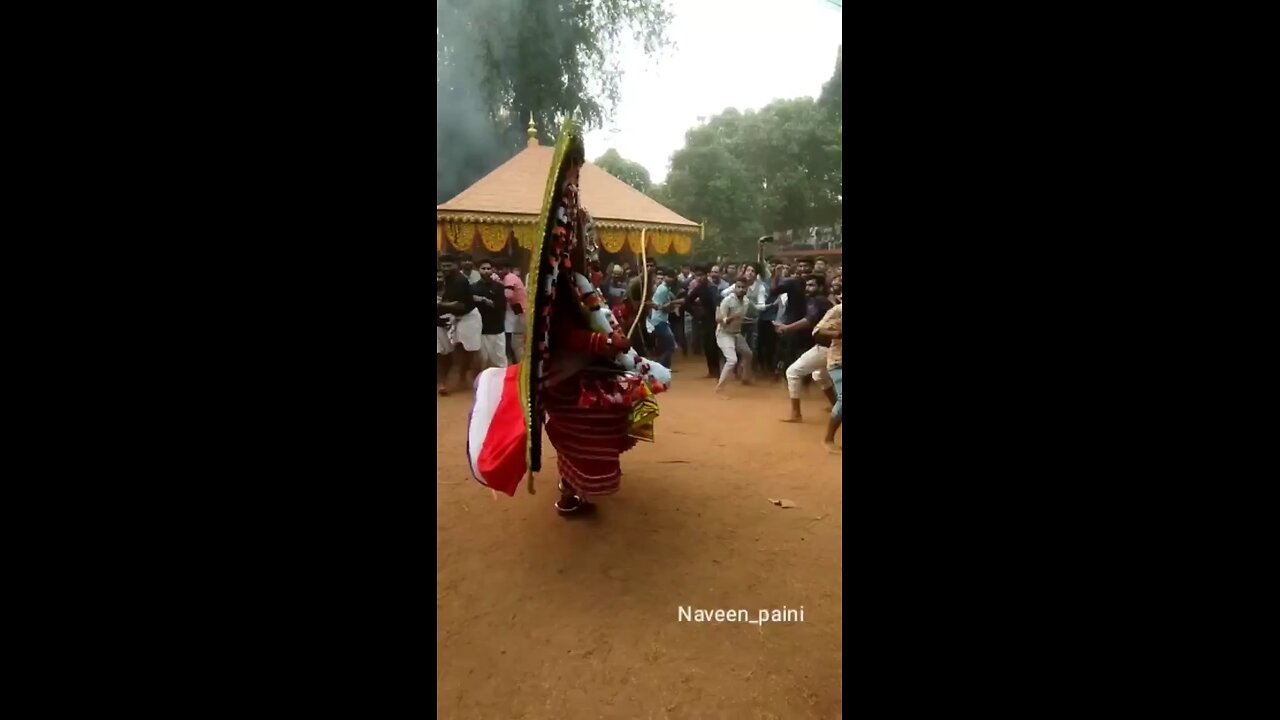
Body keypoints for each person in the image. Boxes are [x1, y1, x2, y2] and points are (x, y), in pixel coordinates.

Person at [466, 120, 672, 515]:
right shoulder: (558, 281)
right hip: (567, 374)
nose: (584, 241)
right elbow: (561, 331)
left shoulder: (579, 279)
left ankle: (572, 487)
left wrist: (620, 321)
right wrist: (603, 342)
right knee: (584, 429)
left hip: (593, 368)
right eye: (578, 230)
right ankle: (570, 491)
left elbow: (596, 317)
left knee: (628, 406)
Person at [778, 275, 835, 423]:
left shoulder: (819, 301)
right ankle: (836, 406)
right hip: (828, 346)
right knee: (819, 375)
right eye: (807, 285)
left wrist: (787, 328)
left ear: (821, 287)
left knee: (792, 372)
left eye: (812, 285)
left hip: (826, 347)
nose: (808, 288)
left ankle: (796, 414)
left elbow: (809, 321)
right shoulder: (819, 301)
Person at [437, 253, 481, 394]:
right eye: (443, 266)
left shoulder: (459, 281)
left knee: (472, 350)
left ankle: (476, 381)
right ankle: (451, 381)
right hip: (454, 318)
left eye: (449, 265)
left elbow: (460, 306)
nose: (445, 268)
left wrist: (440, 304)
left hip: (468, 318)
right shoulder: (447, 279)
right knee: (451, 350)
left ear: (456, 265)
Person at [812, 290, 842, 453]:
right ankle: (828, 439)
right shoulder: (838, 311)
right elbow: (817, 331)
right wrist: (837, 333)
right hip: (838, 362)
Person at [715, 276, 754, 396]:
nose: (741, 289)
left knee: (748, 354)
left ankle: (745, 378)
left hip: (736, 333)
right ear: (734, 288)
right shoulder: (727, 301)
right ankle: (720, 388)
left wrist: (749, 320)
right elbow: (718, 319)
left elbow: (741, 317)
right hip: (724, 333)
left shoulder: (746, 301)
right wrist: (732, 318)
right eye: (739, 287)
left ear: (747, 289)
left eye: (743, 287)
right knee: (732, 360)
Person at [471, 259, 509, 370]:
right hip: (481, 329)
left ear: (492, 270)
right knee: (483, 359)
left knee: (500, 358)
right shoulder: (473, 288)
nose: (486, 271)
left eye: (488, 268)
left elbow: (501, 306)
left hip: (497, 328)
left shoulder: (499, 287)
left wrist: (484, 300)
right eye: (483, 269)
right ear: (478, 270)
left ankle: (502, 382)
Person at [687, 264, 722, 378]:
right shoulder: (698, 288)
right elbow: (687, 302)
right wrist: (696, 313)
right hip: (704, 320)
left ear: (707, 275)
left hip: (715, 320)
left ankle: (716, 370)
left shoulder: (712, 288)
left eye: (701, 275)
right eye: (697, 276)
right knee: (706, 346)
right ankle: (711, 370)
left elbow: (717, 304)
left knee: (713, 345)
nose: (699, 278)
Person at [648, 268, 680, 368]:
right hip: (660, 320)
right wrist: (672, 305)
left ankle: (664, 366)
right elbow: (662, 307)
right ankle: (662, 366)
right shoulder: (663, 289)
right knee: (671, 346)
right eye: (669, 277)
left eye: (672, 277)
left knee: (664, 346)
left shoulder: (664, 288)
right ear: (665, 277)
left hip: (659, 320)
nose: (671, 279)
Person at [498, 260, 528, 364]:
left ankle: (520, 367)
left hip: (520, 311)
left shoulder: (509, 277)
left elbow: (508, 295)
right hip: (519, 311)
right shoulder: (510, 278)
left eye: (501, 269)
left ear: (507, 269)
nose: (498, 271)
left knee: (516, 344)